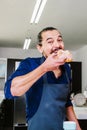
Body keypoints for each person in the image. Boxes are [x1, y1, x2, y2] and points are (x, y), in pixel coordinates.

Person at [4, 27, 82, 130]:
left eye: (59, 40)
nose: (57, 45)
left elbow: (67, 103)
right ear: (40, 48)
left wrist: (77, 128)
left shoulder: (66, 68)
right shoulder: (30, 64)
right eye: (50, 41)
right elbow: (11, 91)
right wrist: (44, 68)